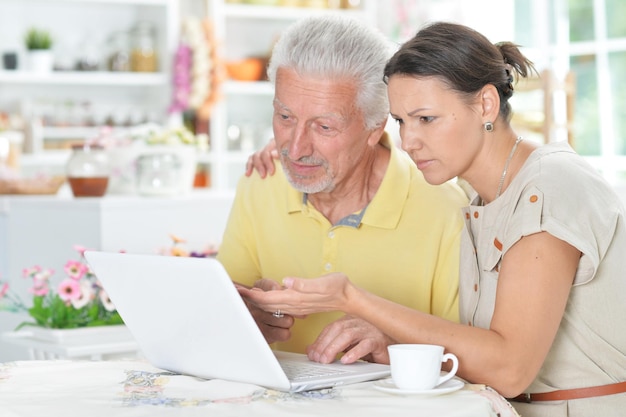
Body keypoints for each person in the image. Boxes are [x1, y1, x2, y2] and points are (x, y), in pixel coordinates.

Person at [239, 21, 626, 417]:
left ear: (486, 105)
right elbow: (480, 351)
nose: (409, 141)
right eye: (401, 121)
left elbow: (509, 369)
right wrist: (300, 142)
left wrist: (350, 297)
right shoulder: (485, 200)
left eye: (426, 119)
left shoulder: (547, 188)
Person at [215, 15, 468, 362]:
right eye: (285, 117)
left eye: (323, 126)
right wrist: (244, 316)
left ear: (373, 128)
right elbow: (216, 314)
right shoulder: (260, 182)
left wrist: (391, 346)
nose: (297, 147)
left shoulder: (444, 209)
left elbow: (471, 362)